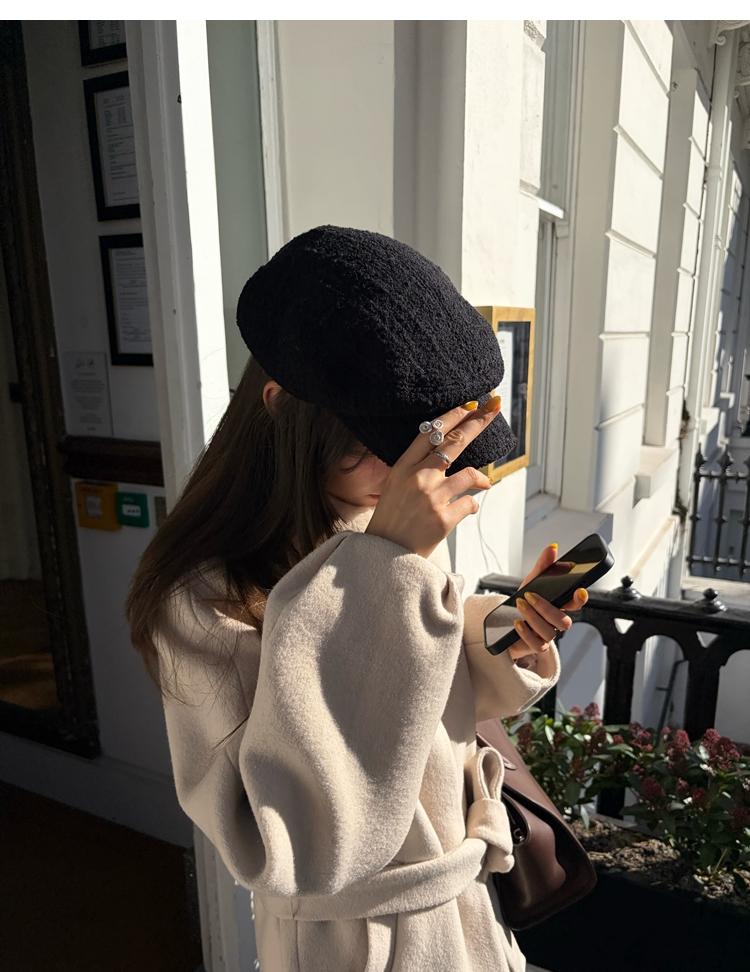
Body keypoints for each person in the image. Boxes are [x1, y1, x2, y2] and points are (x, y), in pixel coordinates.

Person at [126, 225, 587, 971]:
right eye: (384, 445)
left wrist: (505, 634)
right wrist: (386, 566)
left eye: (433, 448)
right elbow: (290, 843)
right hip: (356, 946)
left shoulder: (377, 524)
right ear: (281, 407)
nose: (414, 472)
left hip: (469, 916)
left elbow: (424, 689)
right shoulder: (201, 599)